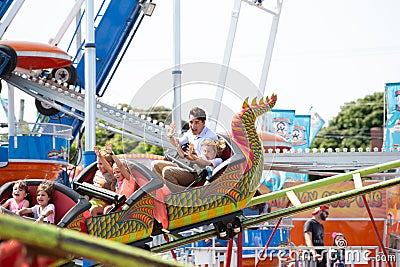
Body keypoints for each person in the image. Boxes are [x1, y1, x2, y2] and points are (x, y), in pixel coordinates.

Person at [151, 107, 218, 188]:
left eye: (196, 122)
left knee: (167, 171)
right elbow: (178, 142)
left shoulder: (210, 137)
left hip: (196, 172)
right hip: (185, 165)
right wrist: (170, 137)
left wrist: (187, 156)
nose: (193, 126)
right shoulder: (190, 132)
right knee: (155, 165)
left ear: (203, 123)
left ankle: (178, 198)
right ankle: (164, 191)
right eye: (191, 122)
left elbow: (206, 162)